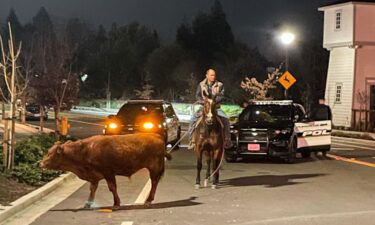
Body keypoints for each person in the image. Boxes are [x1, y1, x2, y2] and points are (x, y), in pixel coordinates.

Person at [188, 69, 231, 150]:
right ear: (207, 75)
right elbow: (197, 95)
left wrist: (214, 101)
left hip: (216, 108)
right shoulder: (201, 84)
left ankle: (227, 140)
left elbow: (222, 95)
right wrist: (203, 101)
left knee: (226, 120)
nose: (213, 77)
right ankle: (192, 140)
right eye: (211, 75)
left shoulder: (220, 85)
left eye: (214, 75)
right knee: (192, 119)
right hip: (204, 107)